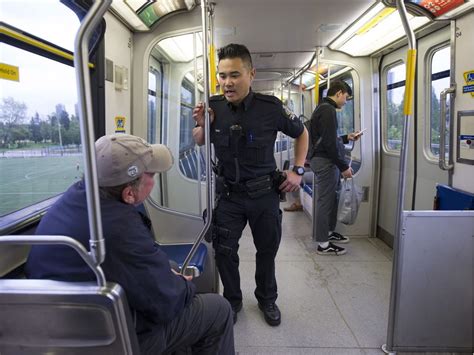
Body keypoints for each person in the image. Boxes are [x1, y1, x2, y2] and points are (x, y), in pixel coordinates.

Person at [25, 134, 235, 355]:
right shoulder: (121, 228)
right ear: (128, 193)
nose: (154, 181)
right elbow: (166, 304)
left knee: (169, 266)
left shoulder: (74, 198)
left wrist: (168, 276)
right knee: (218, 310)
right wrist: (183, 285)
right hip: (112, 340)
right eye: (151, 175)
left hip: (61, 329)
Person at [192, 43, 308, 326]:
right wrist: (201, 124)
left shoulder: (271, 108)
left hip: (263, 194)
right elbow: (199, 139)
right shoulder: (213, 105)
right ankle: (232, 301)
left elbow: (302, 132)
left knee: (266, 251)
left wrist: (298, 170)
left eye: (234, 75)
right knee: (225, 252)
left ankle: (267, 299)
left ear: (251, 74)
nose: (227, 83)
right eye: (222, 75)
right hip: (229, 195)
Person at [308, 80, 361, 256]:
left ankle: (329, 233)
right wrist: (344, 166)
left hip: (325, 159)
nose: (346, 102)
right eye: (346, 97)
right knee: (325, 201)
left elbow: (328, 138)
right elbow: (329, 144)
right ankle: (323, 244)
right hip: (325, 161)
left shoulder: (324, 108)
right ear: (339, 93)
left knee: (332, 198)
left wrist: (347, 137)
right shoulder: (328, 110)